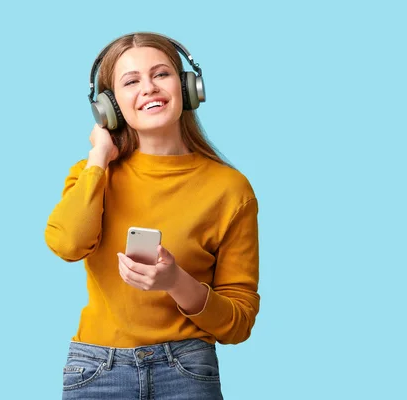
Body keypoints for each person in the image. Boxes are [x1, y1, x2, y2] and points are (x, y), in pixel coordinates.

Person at [44, 32, 260, 399]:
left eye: (161, 74)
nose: (149, 88)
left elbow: (237, 324)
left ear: (188, 86)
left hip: (187, 369)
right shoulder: (92, 174)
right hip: (97, 370)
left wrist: (176, 281)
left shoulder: (230, 189)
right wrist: (99, 157)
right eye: (131, 81)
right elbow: (67, 244)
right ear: (108, 106)